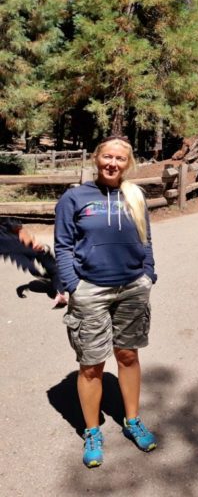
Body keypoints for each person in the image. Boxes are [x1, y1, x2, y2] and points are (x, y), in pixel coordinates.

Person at [54, 137, 157, 469]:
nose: (113, 163)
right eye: (108, 157)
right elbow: (64, 246)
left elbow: (146, 238)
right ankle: (93, 431)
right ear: (97, 159)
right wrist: (74, 286)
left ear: (128, 163)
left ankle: (132, 420)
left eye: (120, 158)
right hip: (91, 291)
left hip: (132, 288)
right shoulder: (75, 197)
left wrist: (148, 274)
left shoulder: (135, 195)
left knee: (128, 355)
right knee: (91, 364)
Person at [0, 216, 67, 306]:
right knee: (36, 271)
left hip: (30, 248)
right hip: (16, 253)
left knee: (51, 268)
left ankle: (60, 292)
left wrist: (32, 240)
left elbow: (17, 227)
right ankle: (58, 289)